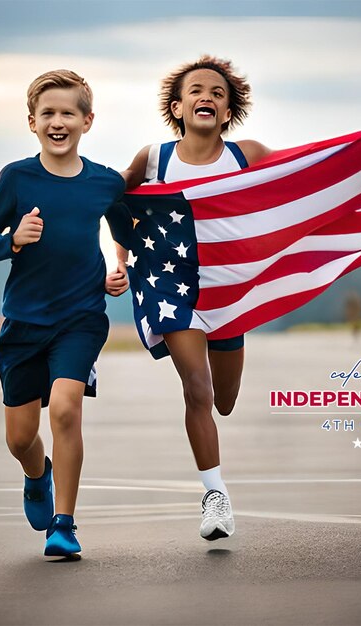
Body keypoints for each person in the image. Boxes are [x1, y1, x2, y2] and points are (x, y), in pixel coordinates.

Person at [0, 70, 128, 558]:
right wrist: (13, 240)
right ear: (32, 123)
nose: (58, 122)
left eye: (67, 113)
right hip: (22, 323)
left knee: (65, 409)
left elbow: (126, 228)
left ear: (88, 121)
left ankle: (65, 523)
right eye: (48, 114)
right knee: (21, 439)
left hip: (81, 318)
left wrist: (119, 269)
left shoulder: (105, 182)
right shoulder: (16, 178)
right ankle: (37, 475)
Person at [118, 56, 272, 540]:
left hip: (229, 290)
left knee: (224, 400)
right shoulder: (154, 158)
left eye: (218, 93)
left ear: (227, 112)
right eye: (197, 90)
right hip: (171, 286)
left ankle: (215, 480)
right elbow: (113, 201)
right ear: (178, 106)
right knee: (198, 389)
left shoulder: (248, 153)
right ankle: (215, 495)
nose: (207, 96)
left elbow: (311, 178)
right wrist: (118, 259)